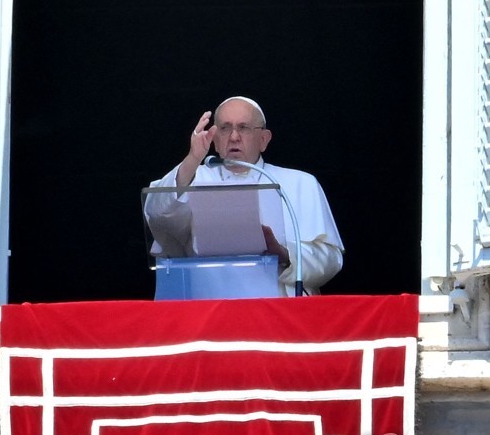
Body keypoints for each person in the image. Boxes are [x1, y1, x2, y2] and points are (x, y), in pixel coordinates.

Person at [145, 96, 344, 296]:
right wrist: (193, 158)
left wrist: (284, 253)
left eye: (244, 128)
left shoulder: (300, 183)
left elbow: (331, 259)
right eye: (224, 128)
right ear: (214, 138)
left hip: (278, 314)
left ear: (264, 139)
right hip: (209, 311)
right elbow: (156, 213)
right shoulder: (193, 178)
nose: (233, 137)